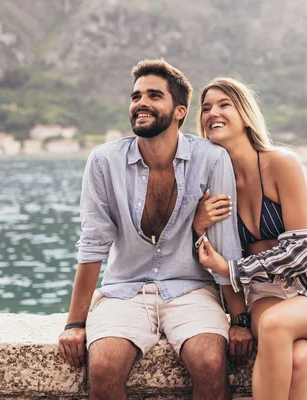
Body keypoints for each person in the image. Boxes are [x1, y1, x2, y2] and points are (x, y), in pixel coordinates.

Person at [58, 60, 253, 400]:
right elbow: (93, 245)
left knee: (210, 361)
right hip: (124, 290)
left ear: (179, 110)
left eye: (153, 95)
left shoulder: (211, 159)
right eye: (136, 96)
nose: (141, 103)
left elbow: (224, 242)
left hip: (191, 289)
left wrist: (240, 319)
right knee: (102, 366)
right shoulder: (104, 162)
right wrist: (75, 324)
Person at [193, 77, 307, 400]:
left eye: (224, 104)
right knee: (298, 358)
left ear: (244, 114)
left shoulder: (282, 163)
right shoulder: (213, 182)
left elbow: (302, 252)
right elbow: (213, 257)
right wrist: (199, 226)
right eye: (206, 108)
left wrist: (233, 268)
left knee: (272, 326)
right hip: (262, 290)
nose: (213, 112)